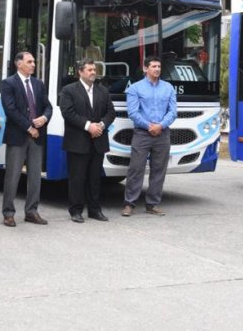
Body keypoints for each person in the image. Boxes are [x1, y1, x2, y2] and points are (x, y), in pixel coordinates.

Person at [59, 59, 116, 223]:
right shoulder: (69, 90)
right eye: (90, 69)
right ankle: (76, 210)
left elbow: (111, 112)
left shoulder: (103, 91)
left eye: (94, 69)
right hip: (78, 141)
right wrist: (88, 126)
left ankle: (95, 210)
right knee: (77, 178)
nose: (93, 72)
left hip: (98, 141)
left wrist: (101, 125)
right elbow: (68, 113)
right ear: (80, 72)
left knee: (94, 178)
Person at [0, 52, 53, 227]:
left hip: (36, 137)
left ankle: (31, 211)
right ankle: (8, 213)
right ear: (18, 64)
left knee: (35, 176)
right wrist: (29, 127)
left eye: (34, 62)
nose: (33, 64)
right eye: (29, 62)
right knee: (13, 176)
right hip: (18, 137)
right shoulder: (8, 83)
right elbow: (11, 110)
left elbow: (47, 106)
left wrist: (44, 118)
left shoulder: (38, 84)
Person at [121, 56, 177, 217]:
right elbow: (133, 112)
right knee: (136, 169)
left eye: (159, 66)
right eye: (153, 66)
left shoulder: (168, 88)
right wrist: (149, 126)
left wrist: (161, 125)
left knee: (159, 170)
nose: (157, 69)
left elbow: (173, 112)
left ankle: (152, 204)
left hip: (163, 133)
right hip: (142, 134)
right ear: (145, 69)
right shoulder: (135, 88)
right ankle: (129, 204)